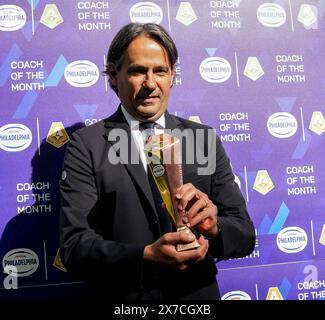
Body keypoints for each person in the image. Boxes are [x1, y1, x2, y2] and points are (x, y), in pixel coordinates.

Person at [59, 22, 255, 300]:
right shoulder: (87, 146)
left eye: (160, 71)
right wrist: (146, 256)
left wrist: (214, 229)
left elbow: (245, 235)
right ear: (114, 75)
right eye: (138, 71)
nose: (150, 84)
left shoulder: (203, 139)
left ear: (172, 75)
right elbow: (75, 246)